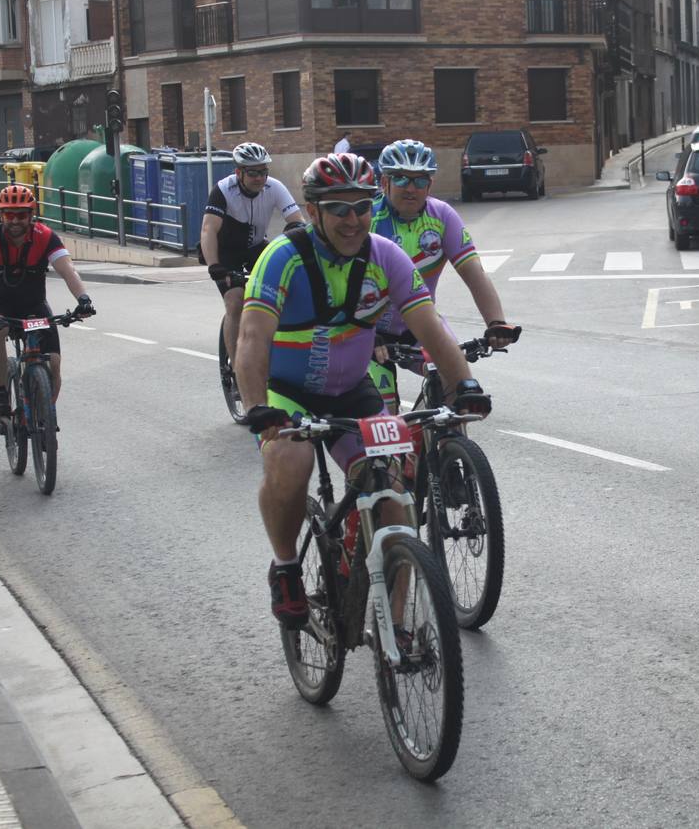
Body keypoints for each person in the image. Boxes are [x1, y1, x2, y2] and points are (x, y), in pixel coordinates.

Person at [234, 152, 492, 628]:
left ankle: (396, 632)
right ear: (312, 211)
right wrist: (258, 410)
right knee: (292, 460)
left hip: (353, 390)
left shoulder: (385, 256)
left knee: (394, 498)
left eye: (362, 207)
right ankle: (287, 566)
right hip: (288, 393)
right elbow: (250, 341)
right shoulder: (283, 258)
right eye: (338, 209)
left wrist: (467, 386)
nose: (353, 220)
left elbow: (431, 328)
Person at [367, 139, 518, 411]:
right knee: (384, 414)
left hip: (421, 326)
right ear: (384, 182)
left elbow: (474, 274)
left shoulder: (442, 216)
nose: (411, 188)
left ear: (430, 185)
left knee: (458, 388)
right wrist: (361, 333)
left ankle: (443, 448)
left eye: (420, 180)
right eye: (401, 178)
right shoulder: (368, 219)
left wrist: (496, 322)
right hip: (369, 331)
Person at [0, 185, 95, 414]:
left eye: (21, 215)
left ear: (31, 215)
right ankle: (0, 392)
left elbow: (68, 270)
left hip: (33, 304)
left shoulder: (44, 236)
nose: (15, 220)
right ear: (1, 215)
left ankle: (44, 417)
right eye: (9, 214)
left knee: (53, 363)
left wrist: (83, 299)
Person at [200, 142, 306, 370]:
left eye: (263, 172)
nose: (259, 178)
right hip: (226, 253)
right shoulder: (223, 190)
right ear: (238, 172)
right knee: (235, 301)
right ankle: (238, 366)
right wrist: (214, 266)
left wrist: (295, 232)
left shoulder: (274, 187)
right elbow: (208, 230)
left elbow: (298, 221)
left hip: (256, 247)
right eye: (253, 173)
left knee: (287, 293)